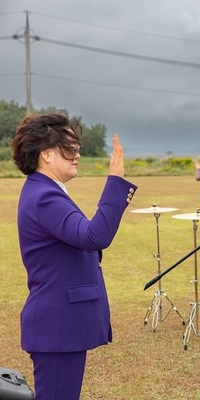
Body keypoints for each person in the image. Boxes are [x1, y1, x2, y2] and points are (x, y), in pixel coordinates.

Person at [10, 111, 137, 400]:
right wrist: (115, 181)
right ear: (47, 154)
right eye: (71, 149)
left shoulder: (47, 190)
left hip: (59, 326)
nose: (77, 155)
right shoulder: (45, 196)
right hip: (56, 327)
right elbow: (94, 236)